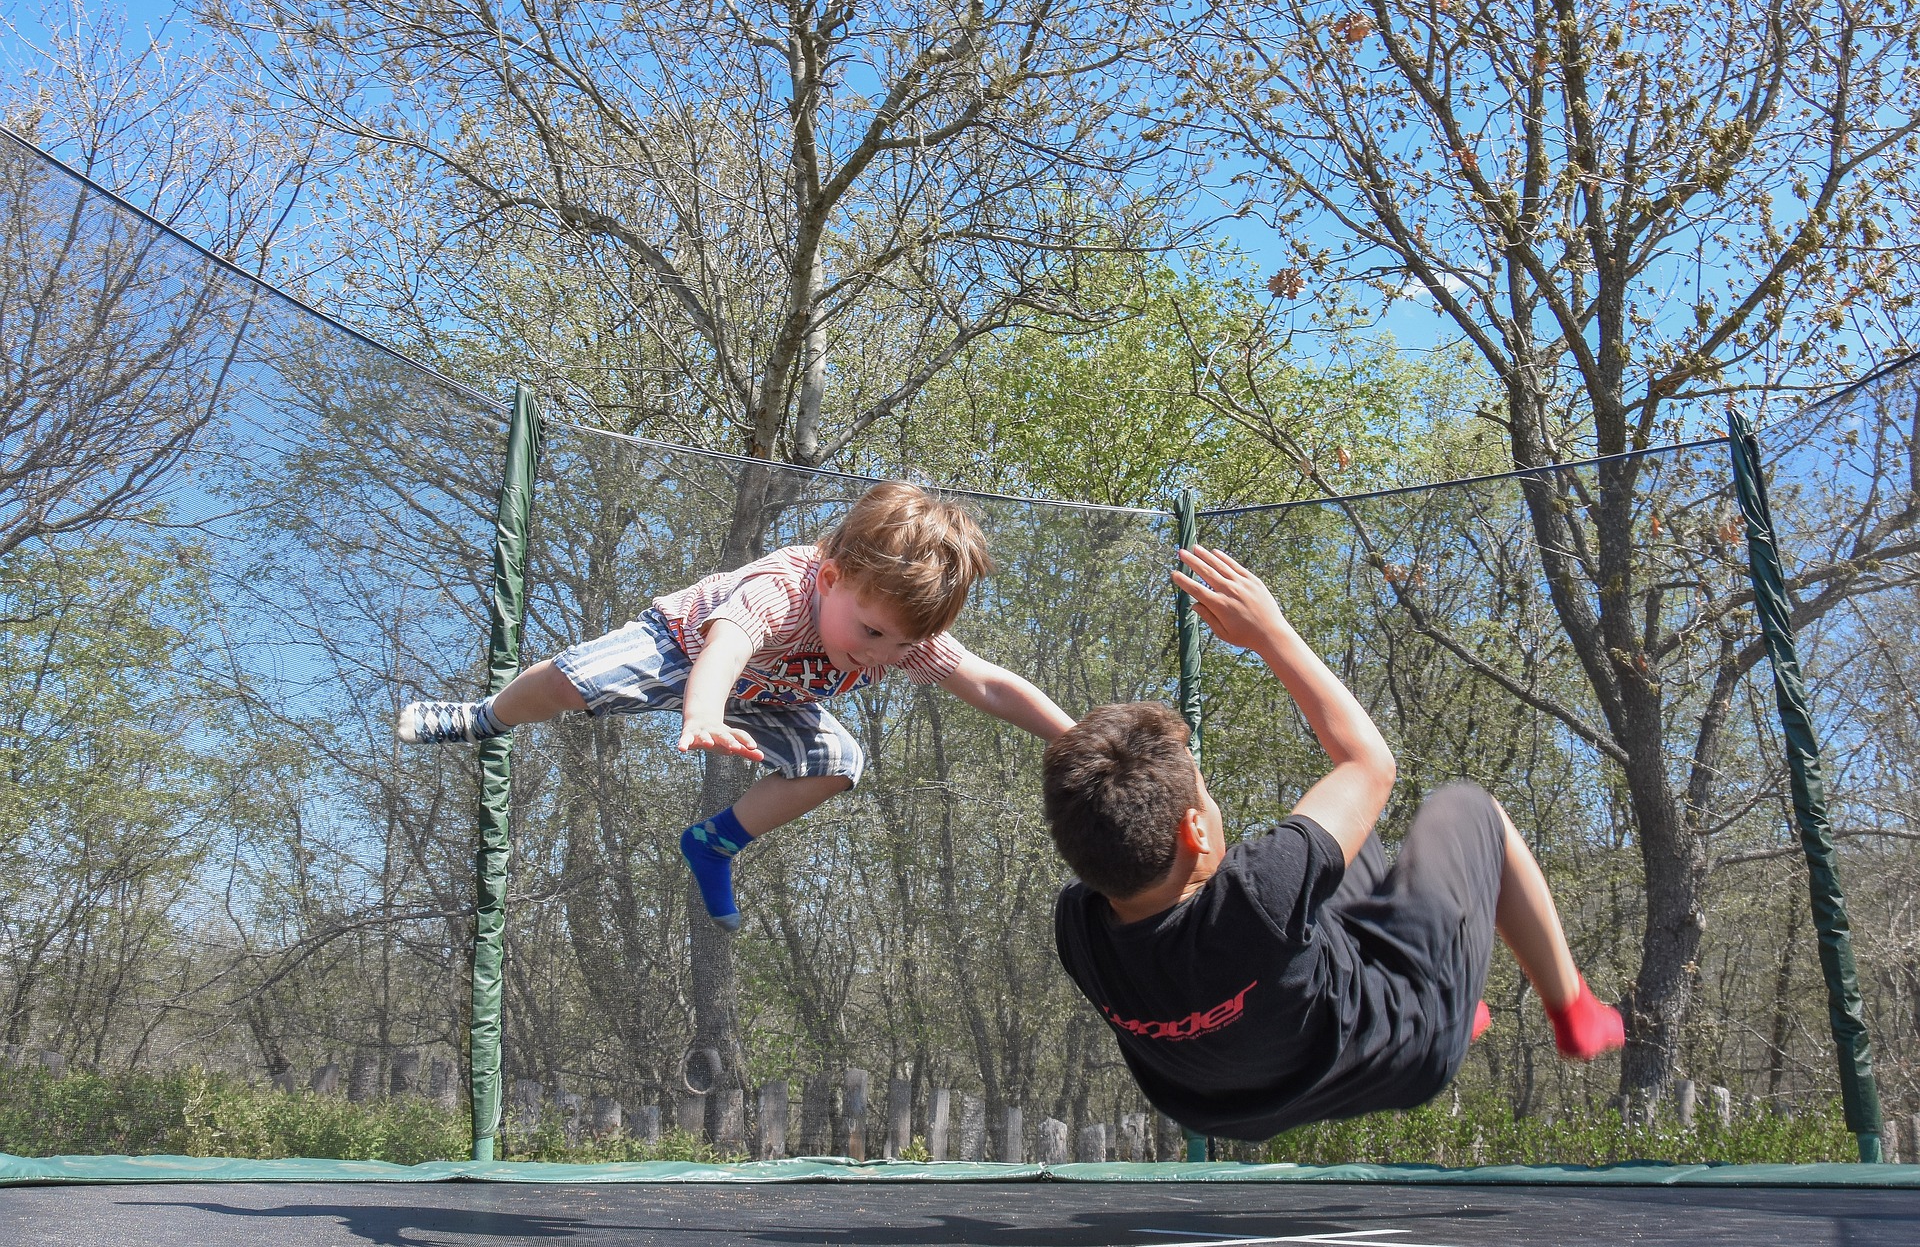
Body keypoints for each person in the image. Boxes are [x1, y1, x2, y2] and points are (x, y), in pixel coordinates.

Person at [1045, 544, 1624, 1141]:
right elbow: (1369, 763)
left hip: (1222, 1107)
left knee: (1348, 843)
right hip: (1407, 1049)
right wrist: (1270, 633)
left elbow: (1101, 811)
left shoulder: (1078, 927)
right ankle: (1573, 1010)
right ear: (1193, 831)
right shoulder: (1260, 893)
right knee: (1469, 810)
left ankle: (1439, 974)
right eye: (1206, 794)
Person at [399, 481, 1073, 932]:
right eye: (870, 634)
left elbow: (988, 683)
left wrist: (1071, 736)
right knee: (574, 681)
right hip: (684, 652)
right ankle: (484, 716)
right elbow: (727, 642)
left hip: (771, 695)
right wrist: (703, 712)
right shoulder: (780, 591)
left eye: (903, 645)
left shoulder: (895, 637)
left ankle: (712, 843)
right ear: (833, 579)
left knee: (839, 760)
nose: (879, 657)